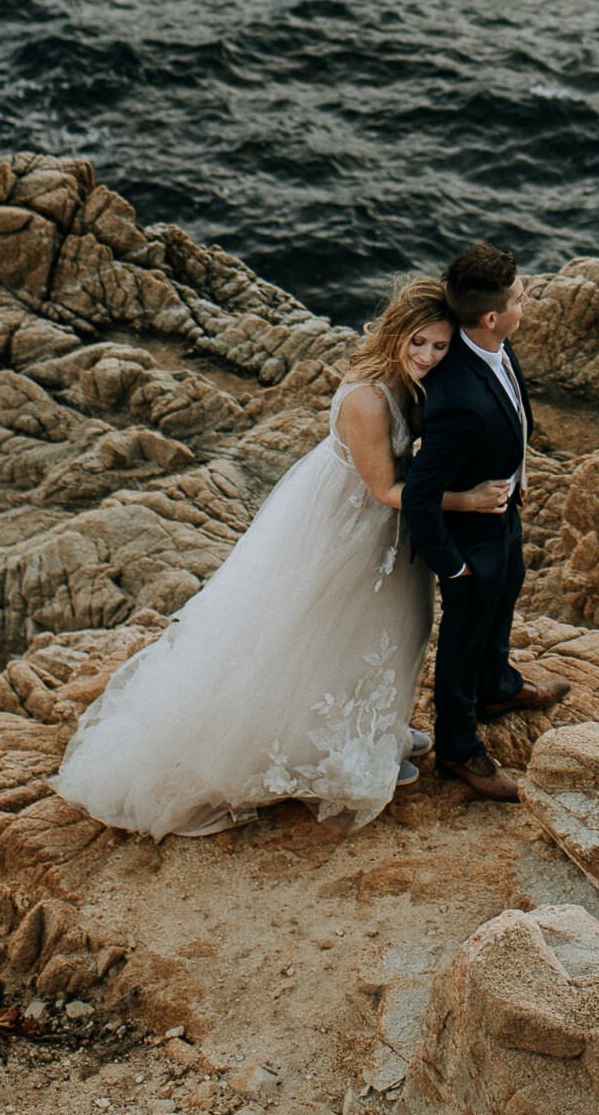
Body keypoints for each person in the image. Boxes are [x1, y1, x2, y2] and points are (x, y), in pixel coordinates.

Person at [52, 278, 510, 838]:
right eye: (418, 343)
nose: (428, 356)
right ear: (396, 334)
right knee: (330, 632)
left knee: (394, 628)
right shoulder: (367, 399)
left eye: (440, 346)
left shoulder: (418, 380)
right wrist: (469, 499)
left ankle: (368, 727)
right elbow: (386, 491)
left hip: (390, 534)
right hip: (351, 529)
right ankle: (302, 745)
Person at [401, 242, 570, 802]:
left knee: (508, 593)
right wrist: (453, 567)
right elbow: (421, 496)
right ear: (493, 315)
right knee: (464, 635)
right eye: (521, 296)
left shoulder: (496, 343)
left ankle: (497, 686)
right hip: (467, 540)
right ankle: (456, 746)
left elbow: (515, 409)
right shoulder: (455, 399)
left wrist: (518, 469)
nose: (527, 302)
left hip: (503, 511)